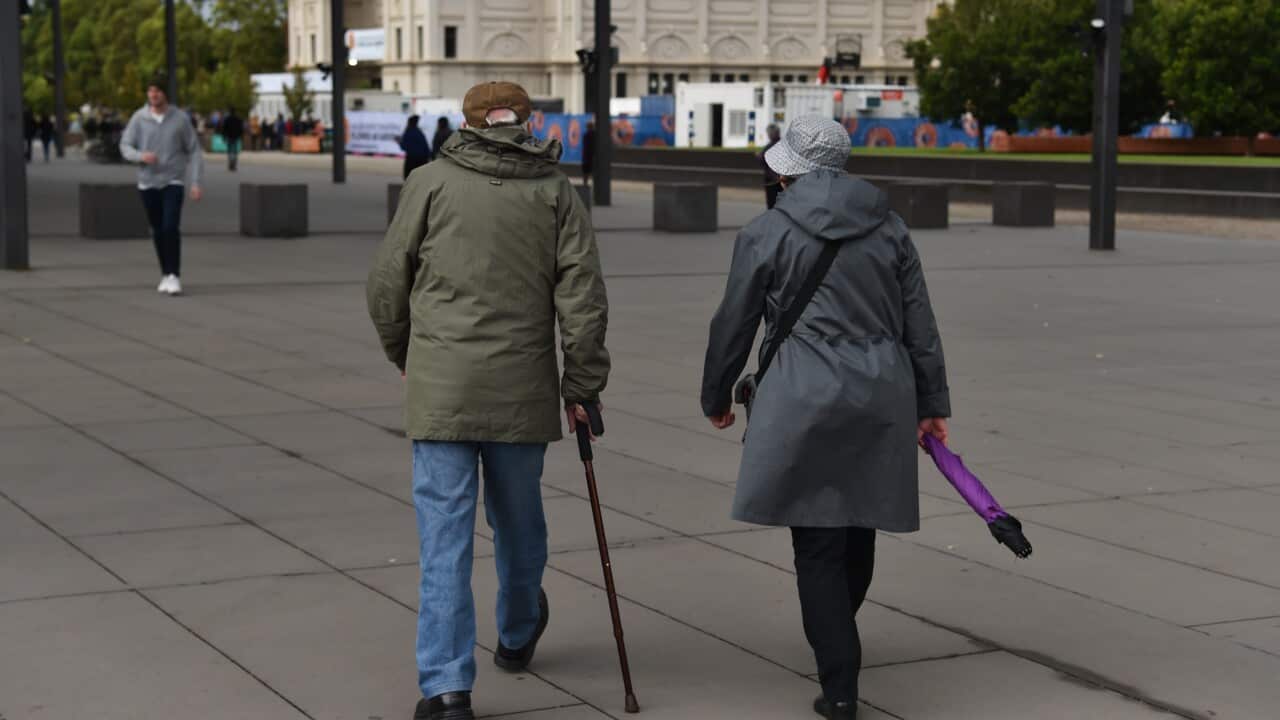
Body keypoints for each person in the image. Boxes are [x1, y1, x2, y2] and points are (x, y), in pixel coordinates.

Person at [366, 81, 608, 720]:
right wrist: (582, 385)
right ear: (526, 123)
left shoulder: (429, 182)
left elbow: (388, 283)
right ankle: (520, 626)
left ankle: (446, 688)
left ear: (468, 123)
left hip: (442, 386)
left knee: (443, 537)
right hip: (521, 389)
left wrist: (405, 356)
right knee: (518, 520)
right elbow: (582, 300)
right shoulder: (557, 192)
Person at [700, 115, 950, 720]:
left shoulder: (765, 231)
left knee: (815, 544)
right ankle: (838, 634)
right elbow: (920, 321)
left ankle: (839, 684)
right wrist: (932, 403)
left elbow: (734, 321)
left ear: (788, 169)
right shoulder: (890, 228)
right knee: (858, 525)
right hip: (880, 391)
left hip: (800, 392)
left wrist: (717, 393)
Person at [119, 75, 204, 296]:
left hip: (173, 180)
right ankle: (165, 273)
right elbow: (125, 145)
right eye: (150, 91)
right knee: (157, 230)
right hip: (147, 183)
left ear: (165, 93)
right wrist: (140, 156)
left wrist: (195, 182)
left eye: (157, 91)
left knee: (170, 227)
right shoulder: (139, 118)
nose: (153, 95)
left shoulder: (180, 119)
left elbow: (194, 149)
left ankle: (174, 275)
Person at [397, 115, 431, 179]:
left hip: (411, 159)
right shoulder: (419, 132)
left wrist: (399, 142)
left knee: (409, 178)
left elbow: (404, 147)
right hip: (422, 159)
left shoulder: (409, 132)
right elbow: (426, 148)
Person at [759, 124, 782, 209]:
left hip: (771, 180)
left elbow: (760, 159)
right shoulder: (784, 145)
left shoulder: (769, 147)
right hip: (781, 179)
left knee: (771, 203)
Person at [581, 119, 595, 187]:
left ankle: (585, 184)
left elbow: (585, 146)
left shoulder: (586, 135)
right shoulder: (595, 135)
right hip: (592, 156)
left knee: (586, 172)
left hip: (587, 156)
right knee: (591, 171)